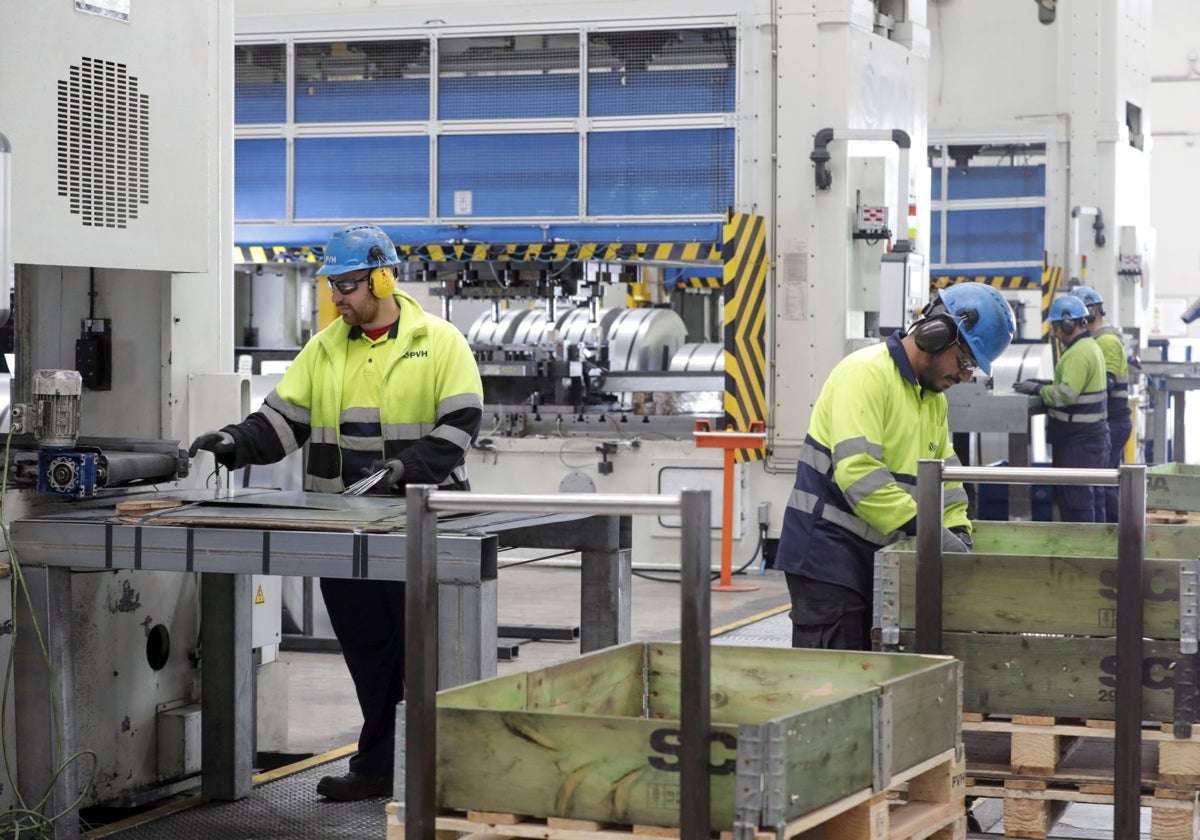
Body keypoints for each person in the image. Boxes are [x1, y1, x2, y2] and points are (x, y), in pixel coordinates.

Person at [189, 224, 483, 801]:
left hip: (417, 527)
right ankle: (378, 768)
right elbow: (281, 424)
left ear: (380, 278)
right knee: (369, 653)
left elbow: (460, 425)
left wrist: (404, 470)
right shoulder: (324, 348)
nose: (337, 298)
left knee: (420, 652)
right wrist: (232, 441)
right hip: (342, 531)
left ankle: (432, 771)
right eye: (332, 288)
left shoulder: (439, 340)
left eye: (346, 286)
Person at [774, 282, 1016, 652]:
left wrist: (958, 530)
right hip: (827, 556)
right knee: (835, 688)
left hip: (876, 557)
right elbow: (859, 473)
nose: (966, 377)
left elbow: (945, 476)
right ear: (938, 334)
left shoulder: (930, 399)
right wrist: (927, 529)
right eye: (966, 361)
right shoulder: (865, 374)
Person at [1015, 296, 1109, 522]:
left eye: (1056, 327)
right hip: (1089, 440)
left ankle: (1080, 553)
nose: (1055, 333)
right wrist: (1046, 385)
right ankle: (1098, 552)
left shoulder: (1077, 353)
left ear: (1069, 324)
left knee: (1076, 502)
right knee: (1093, 497)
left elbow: (1064, 396)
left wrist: (1039, 390)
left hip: (1078, 443)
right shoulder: (1089, 347)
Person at [1070, 286, 1131, 522]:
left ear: (1091, 313)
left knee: (1105, 484)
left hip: (1114, 421)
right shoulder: (1098, 340)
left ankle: (1117, 538)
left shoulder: (1107, 341)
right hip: (1112, 421)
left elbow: (1106, 382)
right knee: (1104, 482)